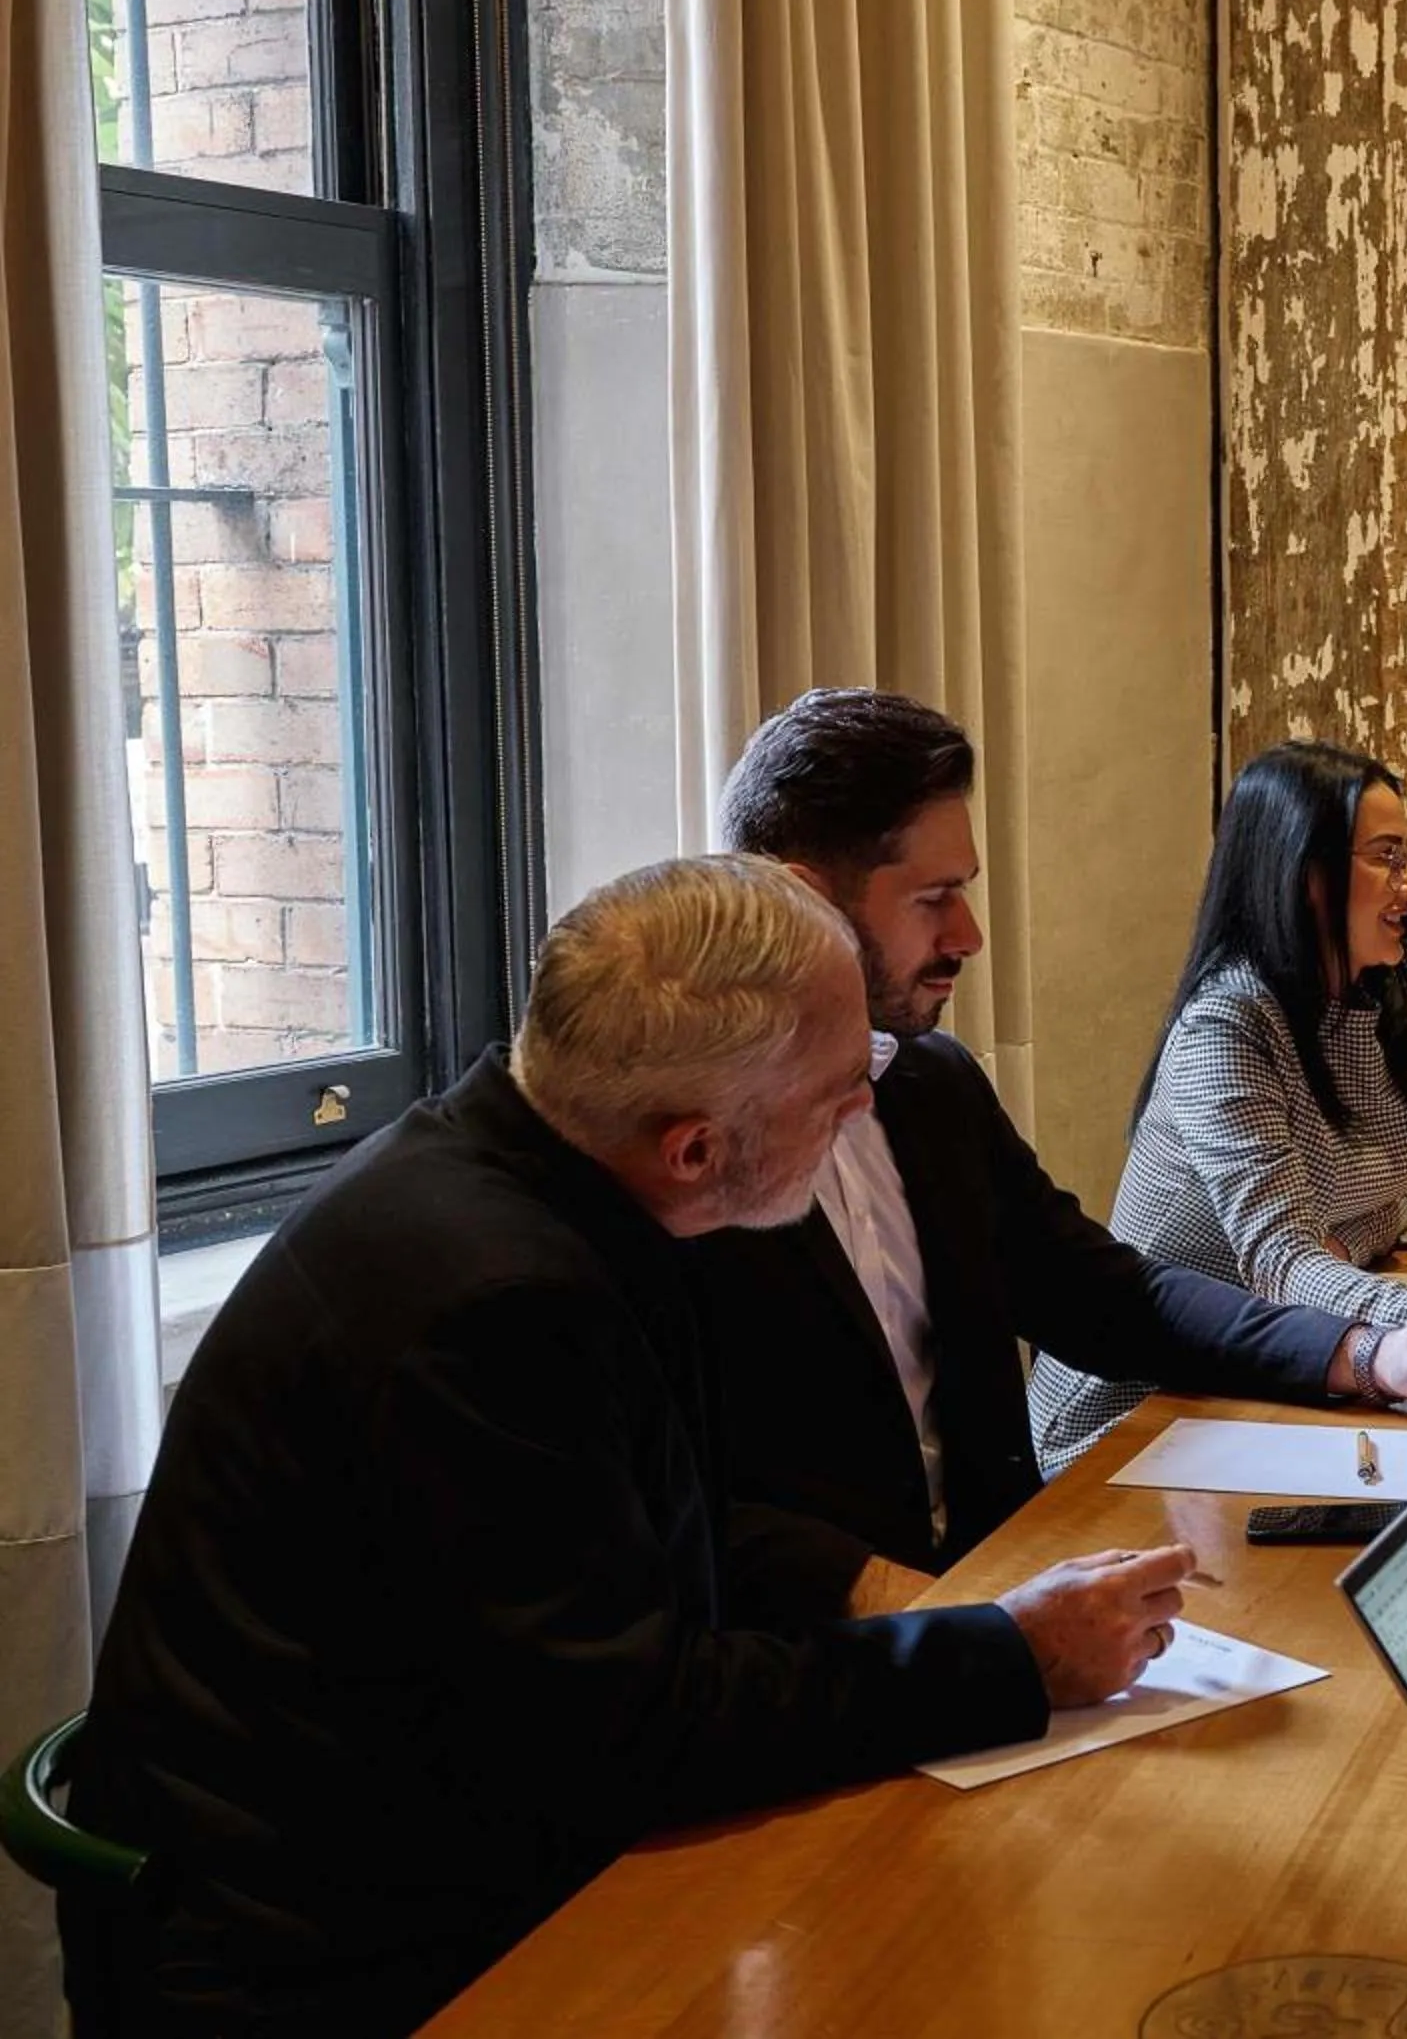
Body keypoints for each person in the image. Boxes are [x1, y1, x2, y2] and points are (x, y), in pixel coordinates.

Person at [64, 858, 1209, 2036]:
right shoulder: (493, 1310)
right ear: (695, 1150)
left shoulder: (547, 1172)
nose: (866, 1109)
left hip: (444, 1829)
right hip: (325, 1951)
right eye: (837, 1093)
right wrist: (1012, 1657)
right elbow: (631, 1735)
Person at [706, 691, 1407, 1623]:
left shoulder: (931, 1084)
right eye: (934, 899)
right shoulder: (698, 1154)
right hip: (869, 1646)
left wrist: (1368, 1355)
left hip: (1008, 1581)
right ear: (804, 899)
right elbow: (712, 1523)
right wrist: (985, 1634)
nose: (970, 937)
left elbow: (1109, 1297)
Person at [1029, 740, 1407, 1474]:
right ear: (1305, 873)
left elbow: (1388, 1200)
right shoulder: (1227, 1023)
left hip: (1295, 1363)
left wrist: (1385, 1272)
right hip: (1145, 1399)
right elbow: (1279, 1260)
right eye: (1386, 857)